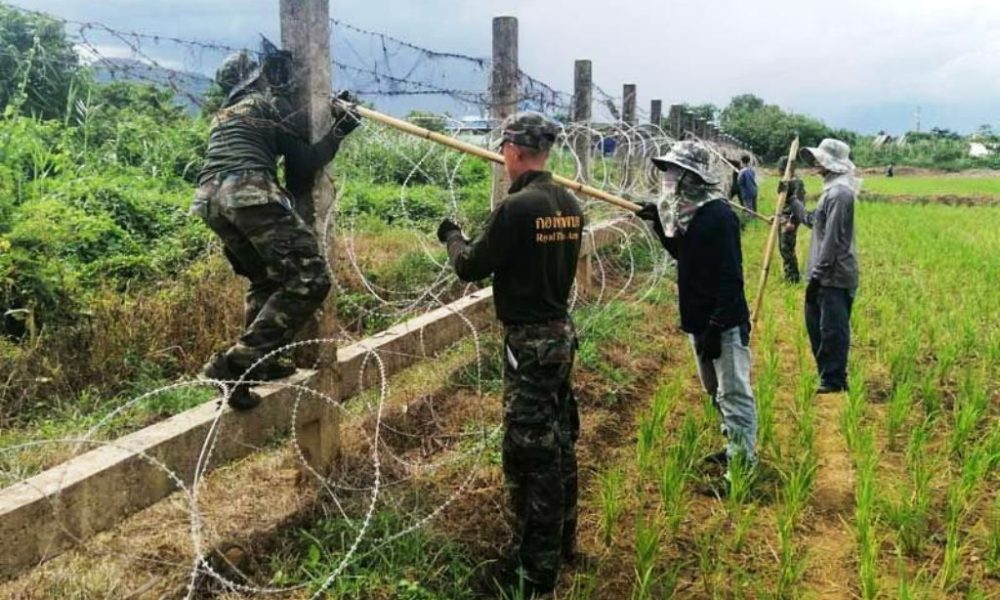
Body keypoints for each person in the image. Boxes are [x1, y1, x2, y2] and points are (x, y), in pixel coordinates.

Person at [437, 111, 583, 597]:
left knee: (529, 453)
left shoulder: (517, 209)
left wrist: (451, 235)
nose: (502, 158)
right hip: (560, 333)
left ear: (515, 152)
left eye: (504, 150)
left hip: (530, 343)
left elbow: (471, 267)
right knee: (559, 440)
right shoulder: (568, 203)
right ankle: (564, 544)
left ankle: (534, 572)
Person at [191, 49, 360, 408]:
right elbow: (303, 168)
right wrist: (340, 130)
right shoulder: (264, 105)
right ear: (256, 79)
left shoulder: (222, 116)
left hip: (210, 201)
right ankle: (237, 364)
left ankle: (260, 365)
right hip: (248, 192)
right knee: (310, 278)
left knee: (267, 280)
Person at [636, 141, 757, 495]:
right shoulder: (690, 213)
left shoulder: (719, 216)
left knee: (734, 395)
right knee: (716, 392)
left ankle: (742, 474)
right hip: (699, 319)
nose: (669, 178)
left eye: (675, 172)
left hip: (723, 323)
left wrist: (717, 327)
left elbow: (731, 278)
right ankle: (733, 447)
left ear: (692, 176)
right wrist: (658, 225)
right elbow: (684, 255)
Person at [788, 138, 860, 394]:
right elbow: (814, 221)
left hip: (834, 274)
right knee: (816, 326)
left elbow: (833, 240)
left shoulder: (841, 194)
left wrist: (817, 278)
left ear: (832, 163)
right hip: (822, 272)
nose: (815, 162)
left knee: (832, 329)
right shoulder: (831, 190)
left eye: (820, 159)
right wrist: (794, 202)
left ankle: (834, 380)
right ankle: (829, 375)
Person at [776, 155, 807, 283]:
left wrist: (791, 221)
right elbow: (781, 202)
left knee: (787, 247)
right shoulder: (785, 182)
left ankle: (793, 278)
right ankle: (789, 274)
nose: (779, 171)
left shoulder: (797, 183)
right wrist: (777, 216)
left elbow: (799, 204)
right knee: (783, 248)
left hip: (789, 220)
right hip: (783, 218)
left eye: (781, 169)